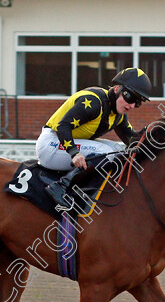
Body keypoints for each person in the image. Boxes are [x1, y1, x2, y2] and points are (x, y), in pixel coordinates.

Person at [36, 67, 152, 206]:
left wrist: (155, 135)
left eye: (138, 102)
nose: (132, 105)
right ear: (117, 89)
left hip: (62, 143)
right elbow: (63, 126)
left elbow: (132, 142)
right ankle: (61, 185)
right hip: (50, 143)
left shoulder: (118, 115)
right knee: (106, 152)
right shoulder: (94, 102)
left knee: (117, 149)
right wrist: (74, 153)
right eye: (130, 97)